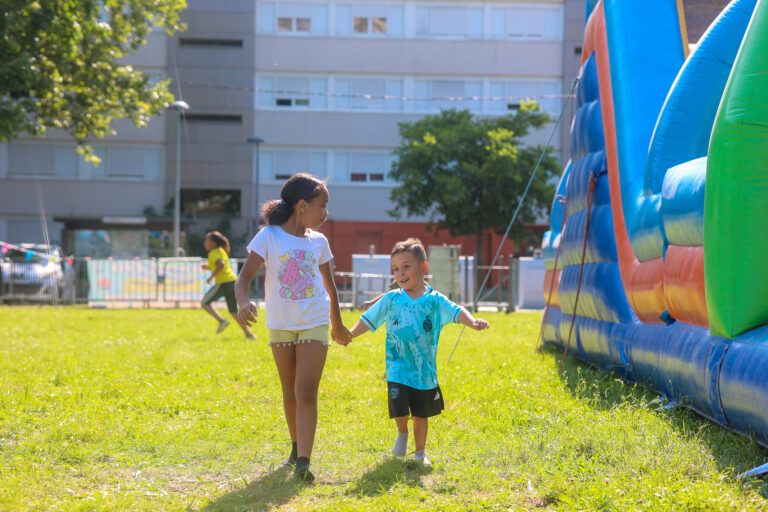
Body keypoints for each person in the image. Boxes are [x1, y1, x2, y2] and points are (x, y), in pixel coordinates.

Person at [235, 173, 351, 482]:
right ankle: (295, 446)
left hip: (314, 322)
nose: (325, 213)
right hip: (281, 325)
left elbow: (331, 287)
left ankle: (303, 462)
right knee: (289, 392)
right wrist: (243, 302)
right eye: (321, 205)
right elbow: (243, 279)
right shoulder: (269, 236)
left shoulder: (319, 242)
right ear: (302, 205)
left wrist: (337, 323)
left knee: (305, 390)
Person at [348, 238, 489, 466]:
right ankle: (402, 432)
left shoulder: (434, 301)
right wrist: (350, 334)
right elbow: (369, 319)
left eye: (406, 266)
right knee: (400, 408)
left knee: (421, 414)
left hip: (424, 371)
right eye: (395, 269)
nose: (400, 273)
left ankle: (421, 453)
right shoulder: (391, 299)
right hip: (397, 367)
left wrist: (472, 322)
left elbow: (457, 310)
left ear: (423, 268)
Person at [201, 231, 255, 340]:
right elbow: (220, 265)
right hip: (233, 282)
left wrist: (211, 277)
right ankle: (249, 334)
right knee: (234, 311)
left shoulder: (213, 253)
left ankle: (222, 321)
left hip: (224, 283)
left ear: (213, 243)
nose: (204, 243)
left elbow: (221, 264)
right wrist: (208, 267)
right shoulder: (221, 250)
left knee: (204, 303)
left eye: (206, 240)